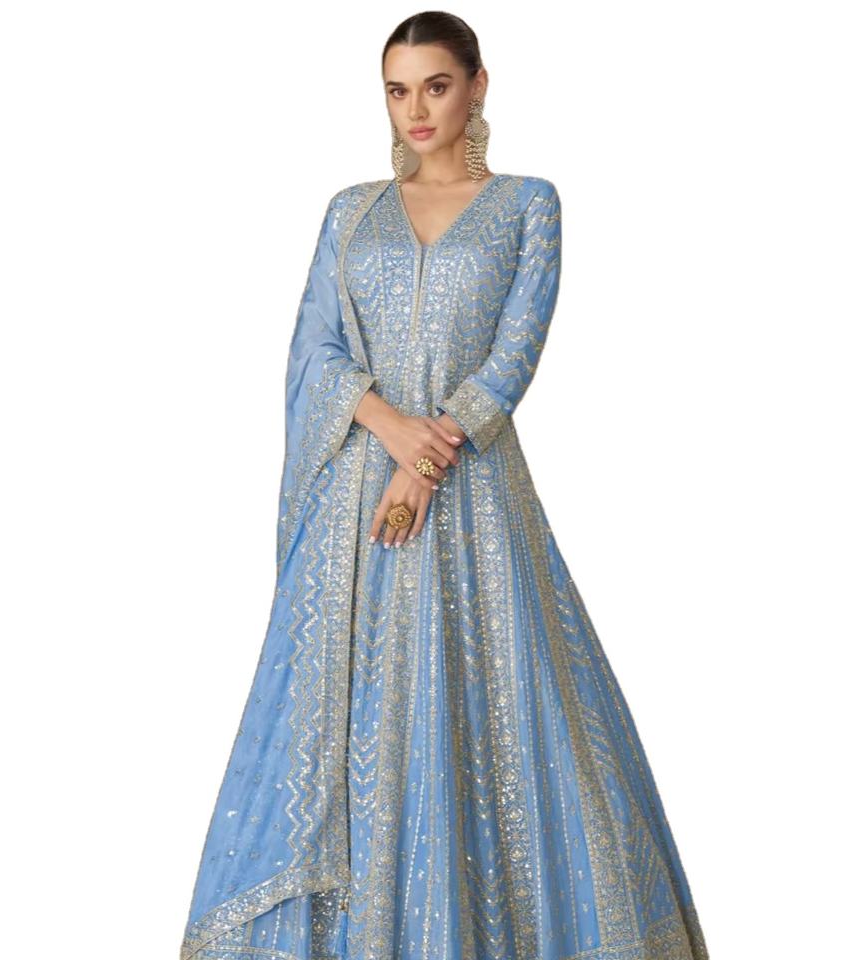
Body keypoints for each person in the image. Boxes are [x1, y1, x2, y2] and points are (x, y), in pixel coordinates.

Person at [179, 12, 709, 960]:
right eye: (397, 89)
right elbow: (314, 349)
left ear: (478, 85)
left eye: (435, 85)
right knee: (354, 723)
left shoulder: (528, 204)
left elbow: (514, 355)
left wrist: (424, 465)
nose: (415, 109)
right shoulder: (351, 212)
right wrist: (390, 430)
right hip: (356, 513)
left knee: (505, 714)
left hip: (475, 500)